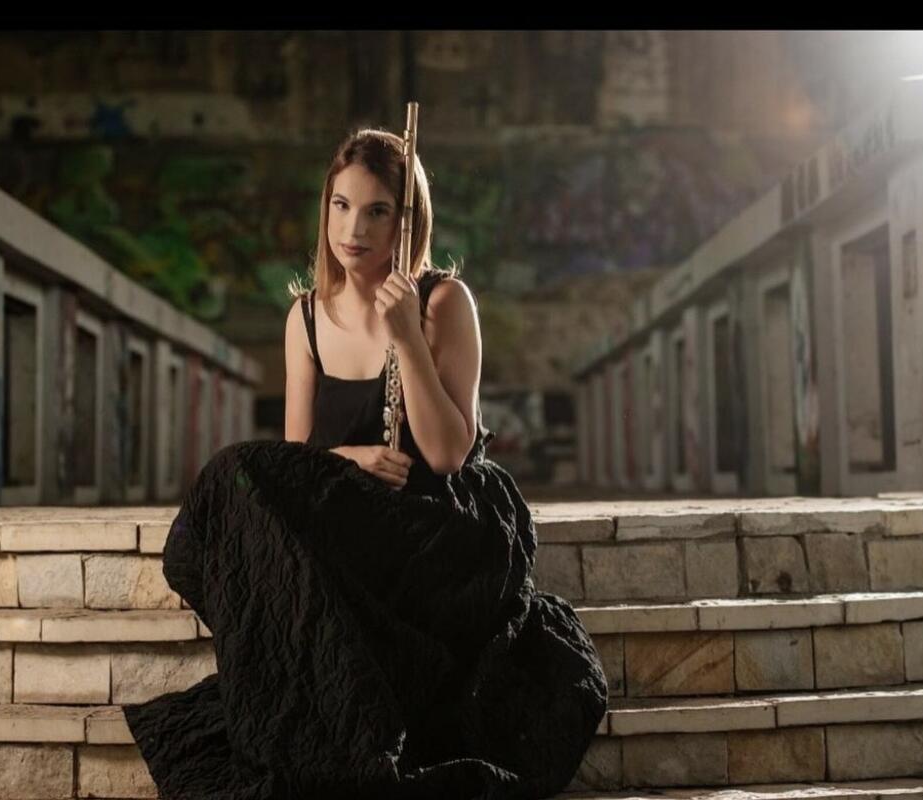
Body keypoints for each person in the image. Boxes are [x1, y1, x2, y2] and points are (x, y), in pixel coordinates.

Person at [123, 127, 609, 800]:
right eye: (342, 206)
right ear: (325, 209)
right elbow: (291, 466)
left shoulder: (443, 302)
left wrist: (407, 335)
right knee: (242, 474)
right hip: (347, 527)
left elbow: (449, 453)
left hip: (432, 526)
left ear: (406, 223)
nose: (354, 229)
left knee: (252, 473)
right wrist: (348, 457)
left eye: (377, 210)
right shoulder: (305, 318)